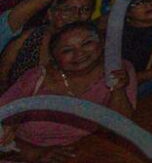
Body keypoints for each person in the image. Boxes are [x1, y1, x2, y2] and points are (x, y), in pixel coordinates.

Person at [0, 22, 136, 160]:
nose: (80, 53)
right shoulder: (36, 79)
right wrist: (35, 153)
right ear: (55, 58)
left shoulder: (119, 69)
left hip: (86, 152)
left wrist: (118, 88)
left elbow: (120, 128)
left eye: (87, 43)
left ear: (102, 43)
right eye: (67, 50)